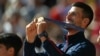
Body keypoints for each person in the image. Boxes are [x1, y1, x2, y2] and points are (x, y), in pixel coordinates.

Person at [24, 2, 96, 56]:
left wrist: (43, 36)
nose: (67, 17)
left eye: (73, 14)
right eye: (68, 13)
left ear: (85, 21)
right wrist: (29, 40)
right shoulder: (60, 46)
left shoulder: (87, 47)